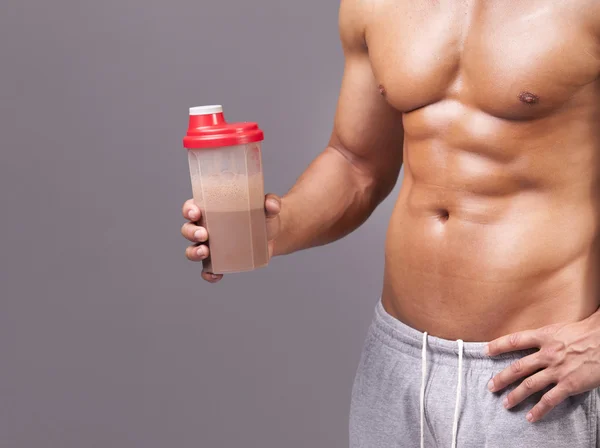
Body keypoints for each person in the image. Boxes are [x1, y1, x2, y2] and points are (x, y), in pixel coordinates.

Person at [181, 1, 600, 446]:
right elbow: (355, 162)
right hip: (397, 361)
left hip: (534, 376)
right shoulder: (375, 5)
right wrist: (276, 228)